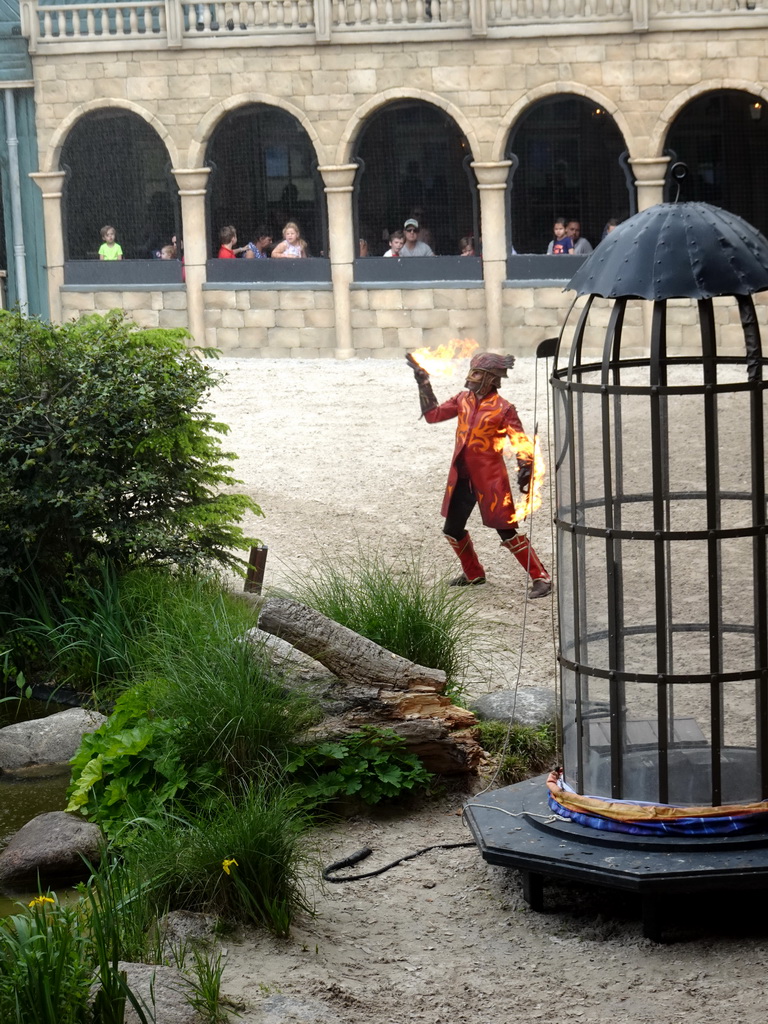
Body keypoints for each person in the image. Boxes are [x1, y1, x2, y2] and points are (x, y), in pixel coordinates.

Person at [407, 351, 552, 599]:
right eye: (471, 371)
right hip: (461, 478)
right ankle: (474, 574)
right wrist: (424, 383)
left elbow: (521, 443)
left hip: (491, 481)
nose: (470, 377)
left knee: (506, 531)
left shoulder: (504, 409)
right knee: (452, 529)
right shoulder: (463, 399)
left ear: (489, 378)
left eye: (476, 373)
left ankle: (541, 578)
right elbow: (433, 416)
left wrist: (526, 469)